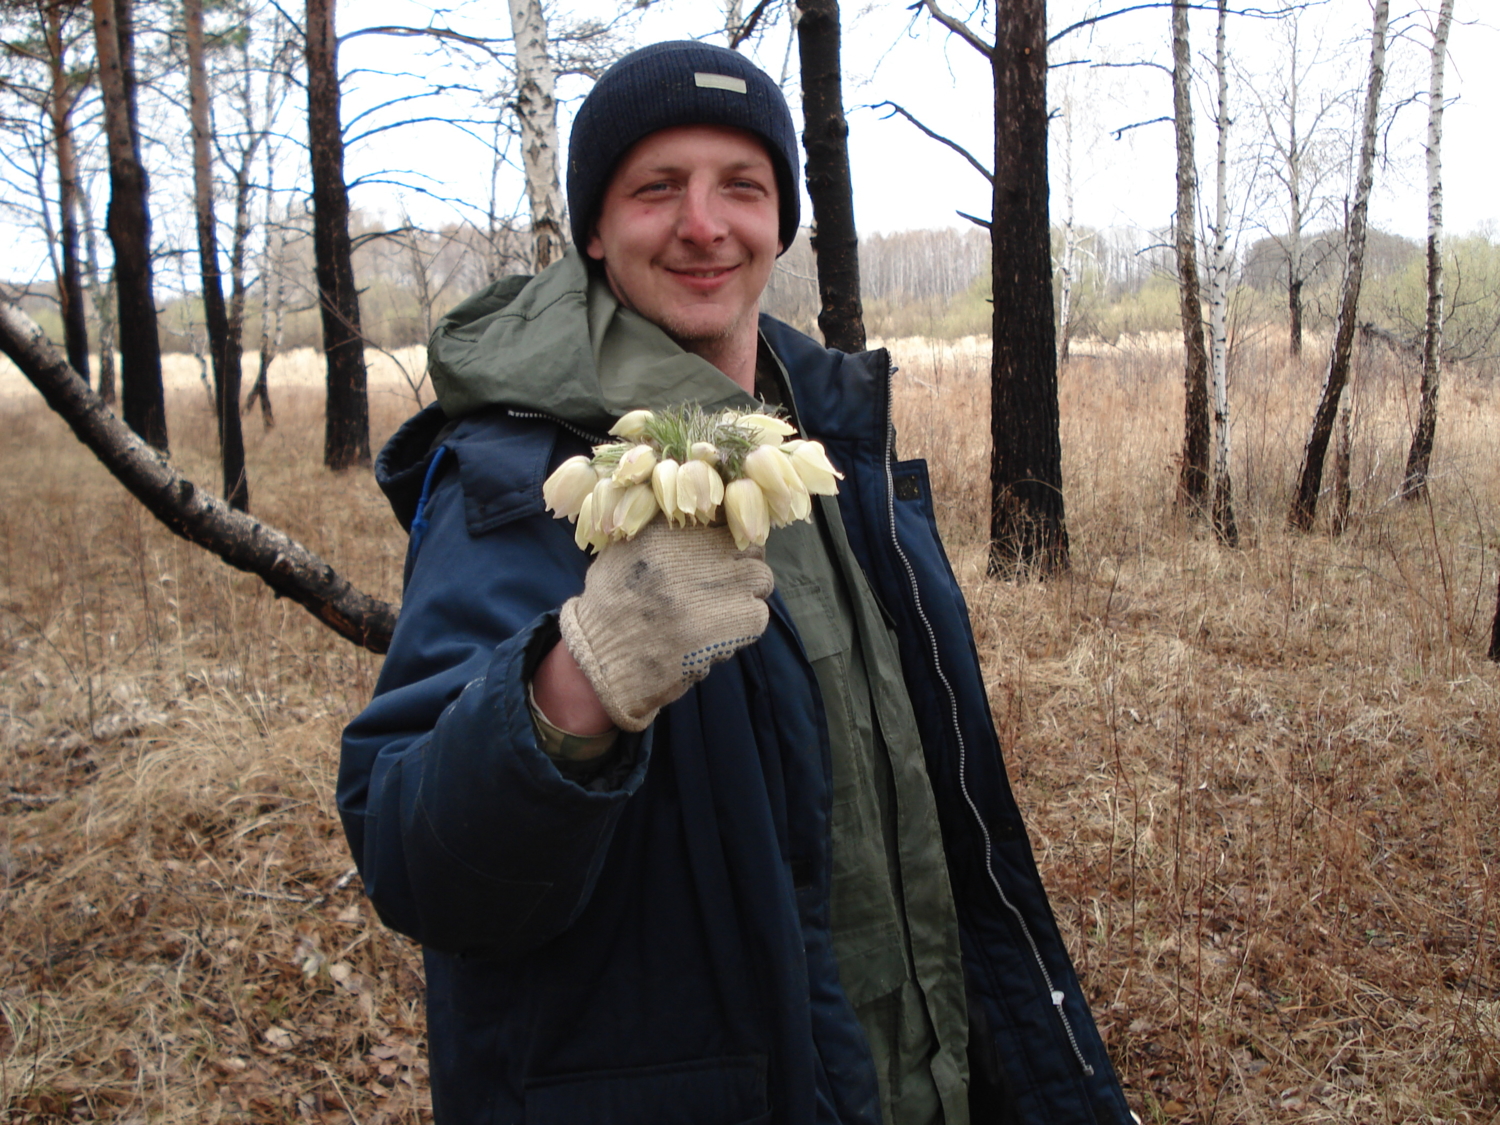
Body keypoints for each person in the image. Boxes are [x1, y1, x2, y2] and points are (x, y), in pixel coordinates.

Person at [340, 40, 1132, 1125]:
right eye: (657, 187)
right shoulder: (525, 473)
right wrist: (576, 690)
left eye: (741, 188)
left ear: (781, 221)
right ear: (594, 229)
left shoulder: (828, 446)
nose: (705, 225)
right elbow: (416, 861)